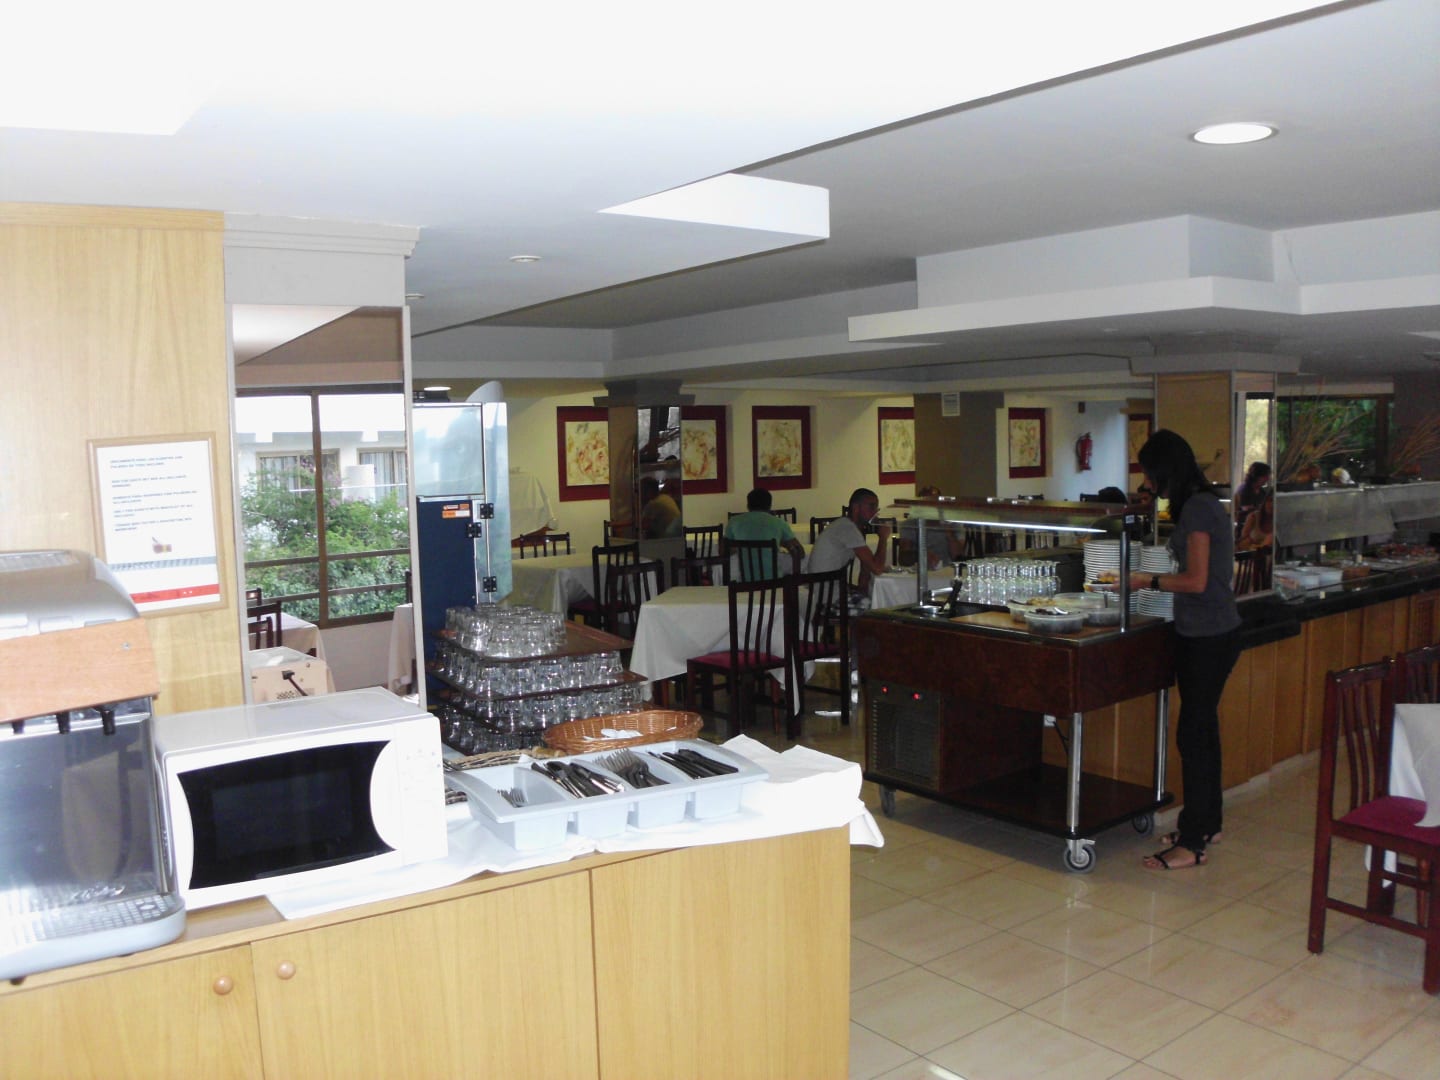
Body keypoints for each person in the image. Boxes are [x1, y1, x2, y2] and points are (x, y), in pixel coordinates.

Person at [1127, 430, 1241, 871]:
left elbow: (1196, 580)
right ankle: (1206, 824)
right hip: (1211, 631)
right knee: (1202, 732)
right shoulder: (1204, 504)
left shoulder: (1196, 508)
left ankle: (1191, 844)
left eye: (1150, 474)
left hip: (1207, 636)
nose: (1148, 483)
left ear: (1165, 470)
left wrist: (1145, 581)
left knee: (1193, 736)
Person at [806, 488, 892, 596]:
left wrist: (862, 591)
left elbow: (866, 568)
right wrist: (883, 538)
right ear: (856, 508)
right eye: (871, 507)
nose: (875, 513)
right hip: (827, 597)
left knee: (874, 598)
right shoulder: (847, 528)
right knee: (883, 601)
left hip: (829, 590)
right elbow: (877, 569)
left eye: (876, 508)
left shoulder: (848, 526)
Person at [724, 488, 805, 579]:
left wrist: (738, 547)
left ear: (748, 505)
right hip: (773, 582)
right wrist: (782, 543)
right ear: (769, 506)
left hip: (744, 581)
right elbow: (800, 552)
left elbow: (723, 551)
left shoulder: (734, 522)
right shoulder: (779, 523)